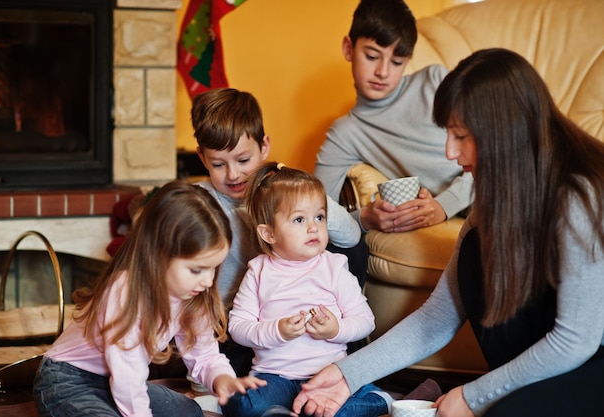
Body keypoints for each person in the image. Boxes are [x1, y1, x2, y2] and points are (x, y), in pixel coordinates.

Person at [292, 47, 604, 417]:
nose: (450, 151)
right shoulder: (496, 198)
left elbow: (576, 340)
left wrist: (474, 395)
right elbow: (435, 320)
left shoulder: (578, 195)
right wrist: (347, 375)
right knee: (475, 249)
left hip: (590, 357)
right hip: (550, 358)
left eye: (461, 135)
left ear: (503, 132)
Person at [33, 180, 266, 417]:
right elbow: (128, 378)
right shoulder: (125, 292)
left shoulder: (193, 294)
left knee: (190, 412)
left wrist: (221, 377)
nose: (207, 281)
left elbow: (203, 353)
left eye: (214, 268)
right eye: (197, 270)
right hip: (68, 381)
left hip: (116, 380)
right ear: (158, 255)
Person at [191, 88, 363, 376]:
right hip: (237, 328)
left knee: (350, 250)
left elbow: (351, 237)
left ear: (264, 147)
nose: (233, 175)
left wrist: (301, 201)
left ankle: (346, 349)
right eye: (219, 164)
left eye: (243, 161)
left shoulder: (279, 191)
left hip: (298, 322)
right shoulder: (198, 204)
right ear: (202, 158)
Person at [223, 162, 392, 417]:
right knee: (244, 406)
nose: (313, 227)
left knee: (334, 411)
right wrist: (277, 330)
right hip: (274, 377)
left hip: (328, 374)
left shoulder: (334, 267)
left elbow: (366, 321)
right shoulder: (258, 271)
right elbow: (238, 328)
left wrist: (336, 329)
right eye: (299, 219)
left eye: (319, 217)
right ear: (268, 233)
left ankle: (380, 399)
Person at [314, 0, 474, 234]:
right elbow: (315, 209)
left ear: (407, 61)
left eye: (397, 62)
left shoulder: (436, 82)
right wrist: (365, 217)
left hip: (510, 182)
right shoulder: (346, 133)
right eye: (372, 56)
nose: (383, 72)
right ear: (349, 49)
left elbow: (496, 150)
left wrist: (444, 204)